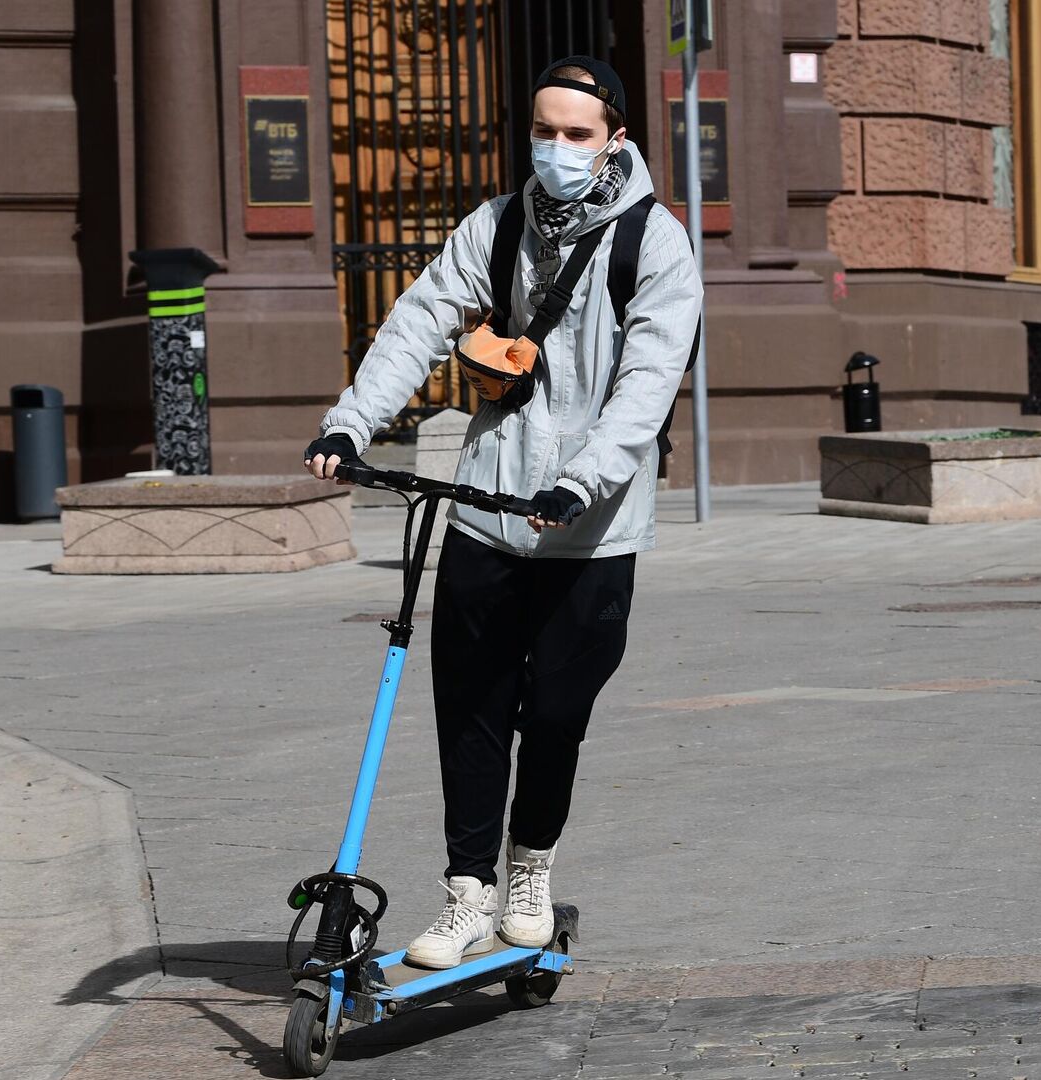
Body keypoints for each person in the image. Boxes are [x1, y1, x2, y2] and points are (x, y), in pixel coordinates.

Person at [302, 56, 702, 968]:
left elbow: (646, 384)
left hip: (590, 526)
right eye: (542, 131)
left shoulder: (656, 243)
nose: (555, 150)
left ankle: (531, 869)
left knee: (557, 711)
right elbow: (418, 320)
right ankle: (467, 893)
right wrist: (352, 425)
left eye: (576, 134)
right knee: (472, 708)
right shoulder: (497, 224)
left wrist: (584, 479)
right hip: (487, 506)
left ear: (614, 142)